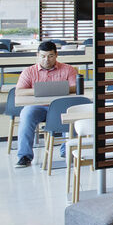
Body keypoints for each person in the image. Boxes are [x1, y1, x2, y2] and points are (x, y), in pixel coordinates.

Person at [12, 40, 81, 168]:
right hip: (37, 107)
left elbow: (75, 87)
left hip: (60, 107)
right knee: (26, 116)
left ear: (56, 55)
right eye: (43, 56)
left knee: (73, 113)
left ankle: (67, 150)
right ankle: (24, 156)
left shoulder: (68, 69)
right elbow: (19, 91)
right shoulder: (29, 71)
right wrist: (39, 90)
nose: (46, 60)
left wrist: (54, 88)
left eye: (50, 56)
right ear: (37, 55)